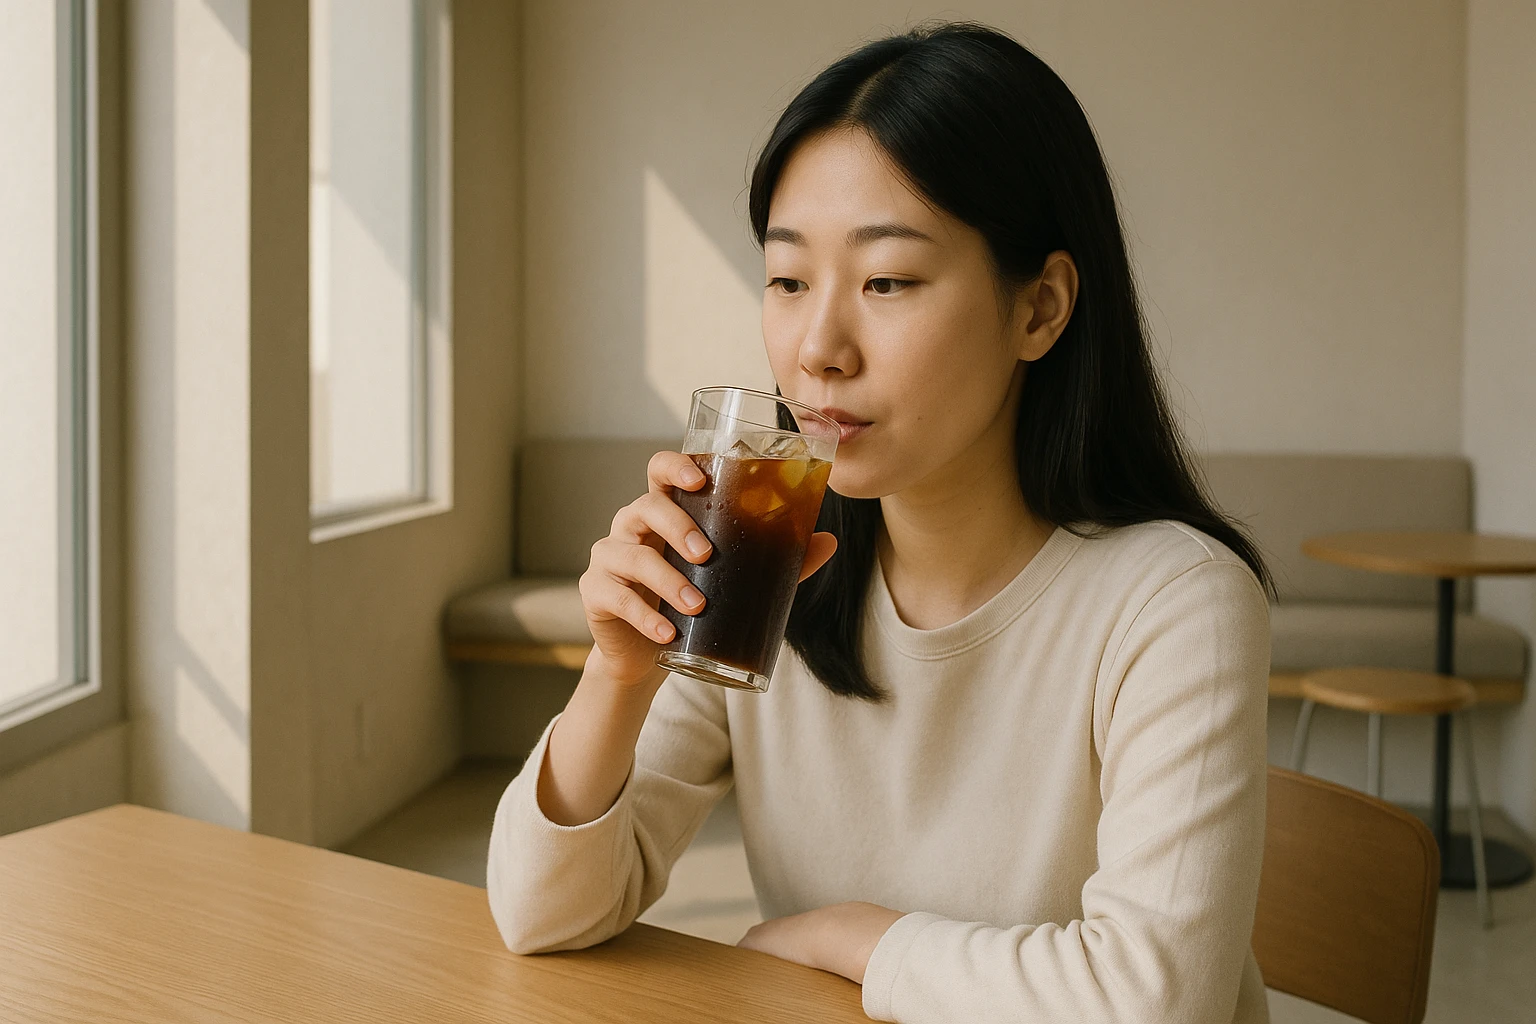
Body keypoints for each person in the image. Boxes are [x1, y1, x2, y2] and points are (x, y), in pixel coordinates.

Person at [488, 21, 1274, 1024]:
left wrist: (842, 936)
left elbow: (1149, 1003)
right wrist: (616, 675)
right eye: (787, 279)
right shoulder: (768, 562)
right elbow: (539, 915)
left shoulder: (1174, 601)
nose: (817, 347)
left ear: (1040, 309)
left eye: (887, 280)